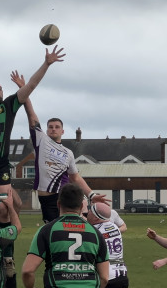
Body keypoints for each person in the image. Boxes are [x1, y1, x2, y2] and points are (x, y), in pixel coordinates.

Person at [0, 45, 66, 225]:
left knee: (2, 208)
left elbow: (31, 85)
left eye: (0, 88)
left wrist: (46, 64)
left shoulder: (8, 106)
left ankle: (6, 250)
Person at [10, 70, 109, 223]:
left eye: (57, 127)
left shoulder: (68, 153)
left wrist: (91, 195)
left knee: (66, 231)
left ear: (62, 131)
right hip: (47, 200)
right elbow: (31, 115)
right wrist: (24, 89)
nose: (53, 129)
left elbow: (75, 177)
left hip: (63, 197)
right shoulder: (41, 140)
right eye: (50, 127)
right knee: (53, 234)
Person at [22, 183, 110, 288]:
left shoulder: (47, 231)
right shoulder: (96, 234)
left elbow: (28, 271)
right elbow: (104, 277)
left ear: (58, 203)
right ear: (82, 205)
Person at [86, 203, 139, 288]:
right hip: (121, 277)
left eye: (90, 211)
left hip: (105, 278)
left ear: (96, 217)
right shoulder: (114, 227)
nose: (87, 213)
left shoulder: (93, 232)